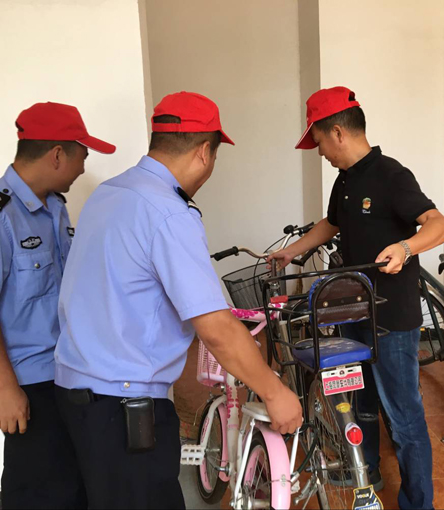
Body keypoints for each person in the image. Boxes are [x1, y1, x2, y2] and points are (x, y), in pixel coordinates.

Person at [53, 91, 303, 509]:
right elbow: (216, 328)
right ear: (205, 152)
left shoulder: (109, 193)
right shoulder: (169, 214)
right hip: (124, 408)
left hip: (75, 392)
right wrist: (275, 392)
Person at [269, 86, 444, 510]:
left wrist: (405, 248)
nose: (319, 152)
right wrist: (291, 252)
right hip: (353, 310)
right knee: (359, 400)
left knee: (403, 414)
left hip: (391, 319)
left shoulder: (391, 175)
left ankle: (418, 502)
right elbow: (331, 223)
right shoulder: (345, 180)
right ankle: (365, 469)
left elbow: (439, 225)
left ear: (337, 132)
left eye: (318, 141)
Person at [0, 101, 115, 509]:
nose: (84, 167)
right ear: (57, 155)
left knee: (68, 480)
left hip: (59, 368)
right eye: (83, 155)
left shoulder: (53, 207)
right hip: (22, 376)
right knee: (39, 487)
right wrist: (5, 389)